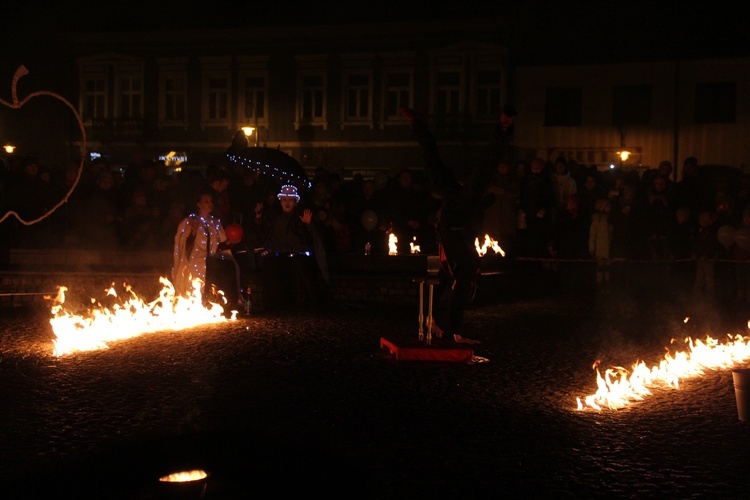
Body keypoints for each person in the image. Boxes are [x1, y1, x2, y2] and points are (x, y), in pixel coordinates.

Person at [400, 106, 507, 344]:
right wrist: (502, 130)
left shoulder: (461, 193)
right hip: (453, 232)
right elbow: (487, 164)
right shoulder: (469, 193)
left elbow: (433, 158)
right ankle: (454, 330)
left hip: (452, 231)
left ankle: (433, 320)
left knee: (447, 275)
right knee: (463, 272)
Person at [257, 184, 330, 311]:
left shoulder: (300, 218)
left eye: (290, 200)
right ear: (280, 202)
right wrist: (258, 217)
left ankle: (302, 304)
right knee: (269, 267)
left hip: (298, 257)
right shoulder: (274, 218)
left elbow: (309, 240)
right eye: (284, 200)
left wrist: (307, 225)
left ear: (295, 202)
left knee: (297, 269)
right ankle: (274, 305)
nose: (287, 203)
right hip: (278, 256)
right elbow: (263, 232)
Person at [172, 189, 242, 313]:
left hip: (211, 262)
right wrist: (192, 234)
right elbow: (182, 244)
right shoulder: (190, 221)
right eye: (206, 201)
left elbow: (220, 245)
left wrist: (231, 242)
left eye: (211, 201)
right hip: (194, 262)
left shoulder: (214, 222)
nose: (209, 203)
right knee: (196, 287)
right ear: (198, 204)